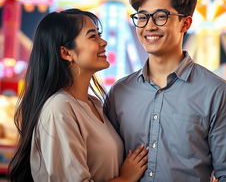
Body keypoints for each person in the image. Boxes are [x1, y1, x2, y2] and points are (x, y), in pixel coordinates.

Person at [105, 0, 226, 182]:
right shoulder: (120, 92)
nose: (149, 26)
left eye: (161, 17)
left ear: (185, 23)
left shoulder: (217, 92)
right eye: (142, 17)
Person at [8, 9, 148, 182]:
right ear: (66, 53)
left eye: (99, 35)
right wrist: (126, 178)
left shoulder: (94, 103)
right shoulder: (59, 108)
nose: (103, 42)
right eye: (92, 36)